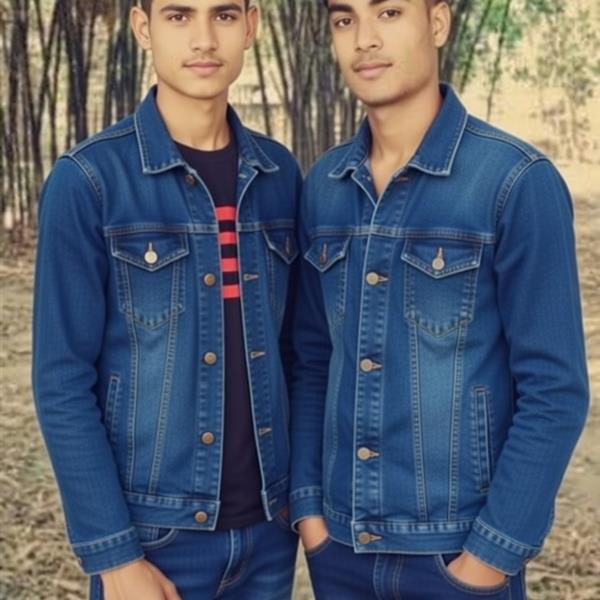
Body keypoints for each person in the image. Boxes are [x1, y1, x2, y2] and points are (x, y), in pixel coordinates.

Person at [289, 1, 589, 598]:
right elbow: (311, 361)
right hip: (340, 552)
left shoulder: (514, 180)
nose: (364, 39)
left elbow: (555, 391)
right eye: (345, 20)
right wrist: (311, 515)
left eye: (389, 12)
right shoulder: (324, 186)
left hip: (456, 557)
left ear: (439, 22)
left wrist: (489, 557)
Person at [31, 1, 300, 598]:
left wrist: (298, 502)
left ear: (251, 25)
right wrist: (115, 555)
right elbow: (61, 380)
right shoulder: (90, 180)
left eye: (223, 16)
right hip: (155, 537)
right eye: (179, 15)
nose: (203, 39)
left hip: (269, 533)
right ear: (142, 27)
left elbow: (296, 356)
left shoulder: (278, 174)